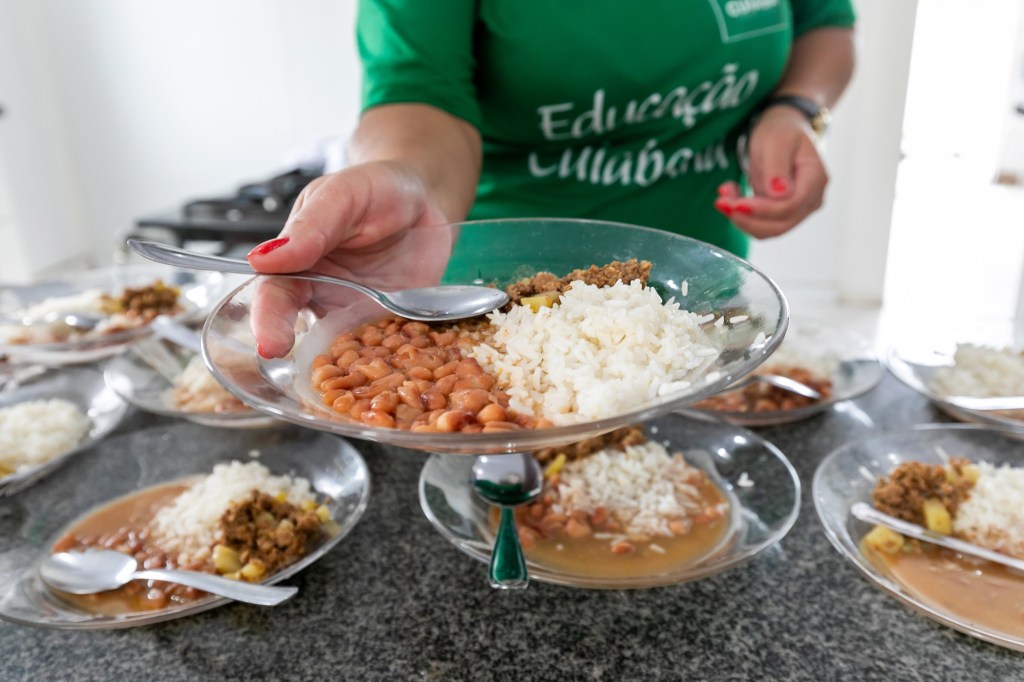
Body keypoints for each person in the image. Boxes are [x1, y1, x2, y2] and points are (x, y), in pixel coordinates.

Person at [247, 1, 856, 357]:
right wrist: (406, 178)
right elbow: (419, 90)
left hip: (708, 290)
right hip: (502, 309)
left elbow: (826, 22)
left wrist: (796, 108)